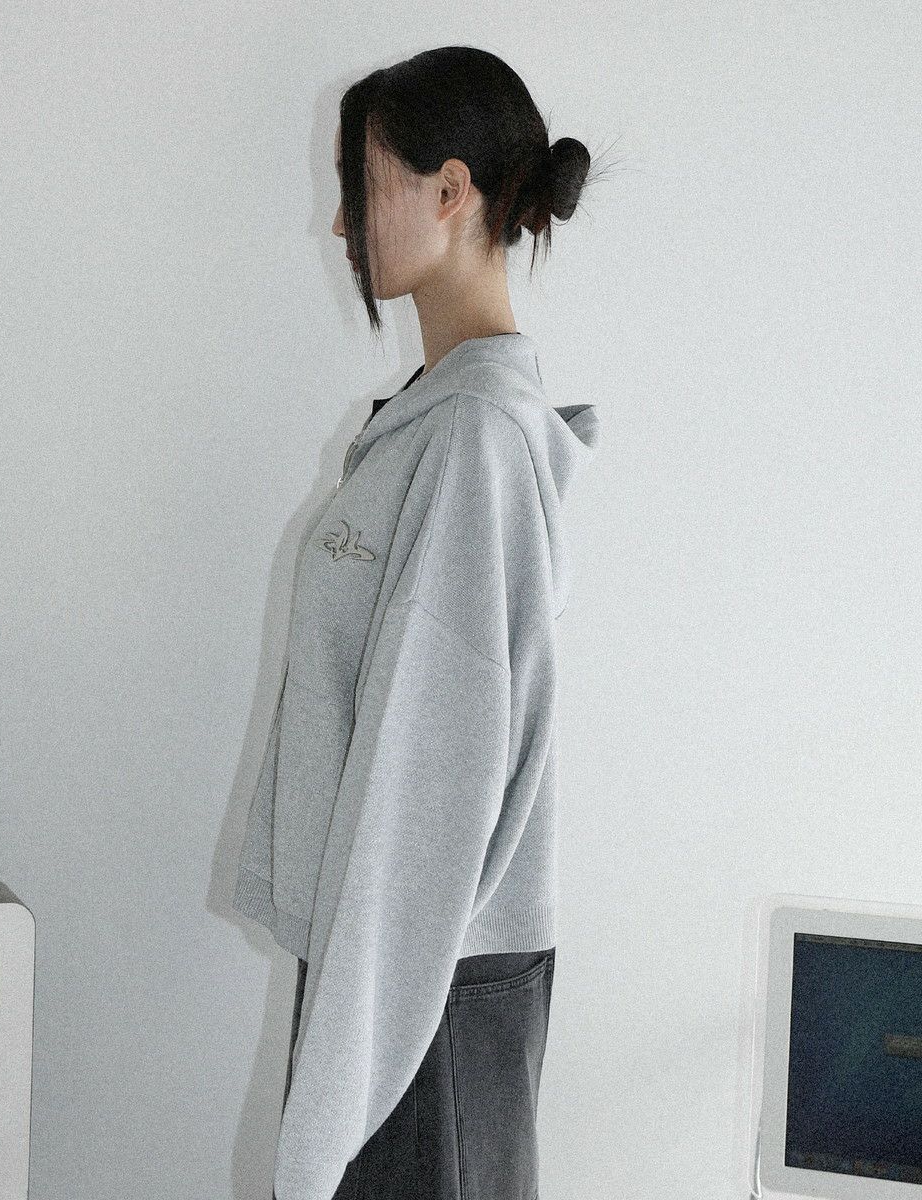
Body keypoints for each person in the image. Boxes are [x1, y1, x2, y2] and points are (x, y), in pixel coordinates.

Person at [232, 44, 601, 1200]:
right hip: (409, 968)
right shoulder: (443, 424)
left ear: (449, 191)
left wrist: (328, 1108)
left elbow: (425, 785)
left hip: (417, 976)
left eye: (361, 185)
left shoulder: (474, 440)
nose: (340, 224)